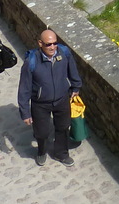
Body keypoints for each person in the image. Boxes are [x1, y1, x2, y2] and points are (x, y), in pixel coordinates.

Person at [18, 28, 81, 167]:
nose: (52, 47)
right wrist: (25, 112)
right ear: (40, 43)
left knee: (63, 127)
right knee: (42, 132)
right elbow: (24, 88)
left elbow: (73, 70)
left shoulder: (64, 53)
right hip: (40, 104)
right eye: (48, 44)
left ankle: (61, 153)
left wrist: (76, 86)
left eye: (54, 43)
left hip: (62, 99)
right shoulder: (31, 62)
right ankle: (41, 151)